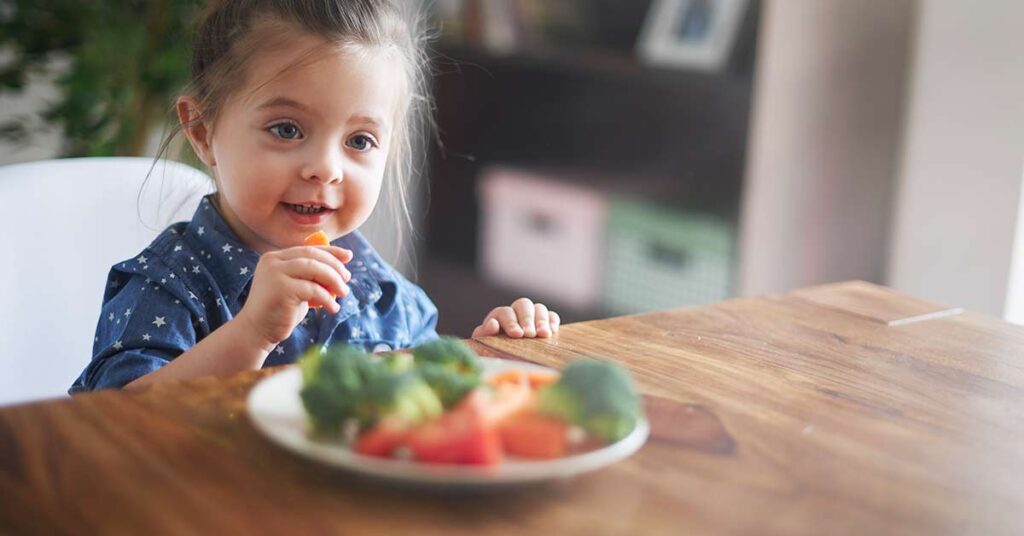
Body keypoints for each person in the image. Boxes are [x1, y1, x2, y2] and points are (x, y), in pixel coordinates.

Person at [70, 0, 558, 393]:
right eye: (287, 129)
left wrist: (487, 355)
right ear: (202, 131)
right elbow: (112, 424)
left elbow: (424, 405)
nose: (326, 168)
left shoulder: (384, 294)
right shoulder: (168, 285)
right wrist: (252, 334)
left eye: (360, 141)